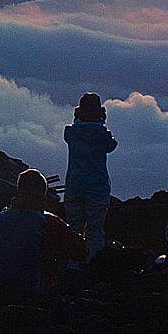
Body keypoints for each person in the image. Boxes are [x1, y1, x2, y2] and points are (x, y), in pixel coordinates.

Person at [0, 168, 86, 303]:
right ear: (43, 194)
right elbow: (81, 252)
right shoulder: (49, 222)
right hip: (33, 293)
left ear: (18, 191)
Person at [62, 92, 116, 260]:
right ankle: (93, 262)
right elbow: (111, 145)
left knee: (73, 228)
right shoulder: (101, 134)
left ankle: (72, 263)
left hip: (74, 187)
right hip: (97, 189)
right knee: (95, 229)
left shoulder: (71, 133)